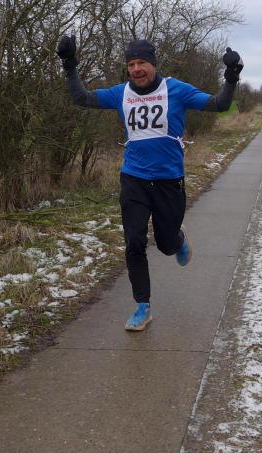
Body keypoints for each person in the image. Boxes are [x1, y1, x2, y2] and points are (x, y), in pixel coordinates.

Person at [56, 35, 243, 331]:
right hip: (134, 179)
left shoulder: (176, 90)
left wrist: (231, 75)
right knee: (134, 241)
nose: (136, 69)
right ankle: (142, 306)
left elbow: (220, 104)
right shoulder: (120, 93)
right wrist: (69, 64)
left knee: (166, 245)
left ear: (153, 64)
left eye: (142, 62)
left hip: (169, 181)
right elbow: (82, 98)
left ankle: (177, 240)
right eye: (131, 64)